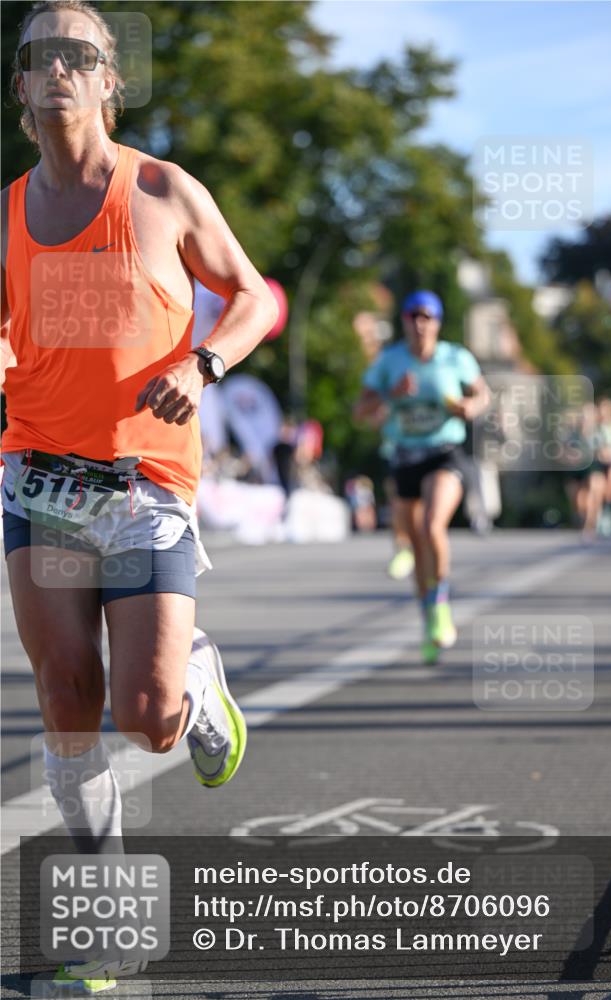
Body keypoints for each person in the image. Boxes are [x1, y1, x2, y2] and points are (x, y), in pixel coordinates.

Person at [1, 1, 278, 991]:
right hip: (40, 480)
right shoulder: (3, 214)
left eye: (84, 54)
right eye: (44, 56)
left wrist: (203, 363)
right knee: (66, 694)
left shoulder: (161, 189)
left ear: (111, 80)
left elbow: (257, 295)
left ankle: (195, 680)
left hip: (145, 483)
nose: (64, 69)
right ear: (22, 84)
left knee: (147, 715)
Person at [354, 290, 489, 663]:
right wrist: (389, 396)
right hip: (404, 457)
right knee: (415, 545)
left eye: (427, 316)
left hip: (445, 453)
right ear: (404, 321)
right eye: (412, 316)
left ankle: (442, 603)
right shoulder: (390, 360)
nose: (419, 323)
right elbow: (360, 410)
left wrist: (468, 407)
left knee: (432, 527)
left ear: (438, 322)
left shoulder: (454, 358)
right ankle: (429, 619)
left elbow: (483, 395)